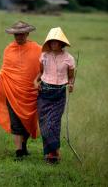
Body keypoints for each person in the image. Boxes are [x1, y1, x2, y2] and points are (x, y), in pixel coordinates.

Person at [0, 21, 41, 159]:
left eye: (21, 34)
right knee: (16, 123)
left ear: (27, 34)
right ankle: (18, 153)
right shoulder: (8, 49)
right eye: (16, 34)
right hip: (11, 91)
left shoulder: (37, 48)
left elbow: (43, 67)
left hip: (30, 93)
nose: (18, 37)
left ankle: (24, 147)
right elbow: (5, 70)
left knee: (28, 122)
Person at [34, 27, 75, 164]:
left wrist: (71, 85)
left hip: (59, 94)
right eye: (51, 42)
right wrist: (36, 81)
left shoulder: (69, 59)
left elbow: (71, 77)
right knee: (44, 124)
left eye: (56, 42)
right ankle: (52, 152)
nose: (53, 44)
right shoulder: (44, 56)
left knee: (54, 123)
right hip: (44, 92)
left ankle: (54, 154)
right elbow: (40, 74)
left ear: (61, 43)